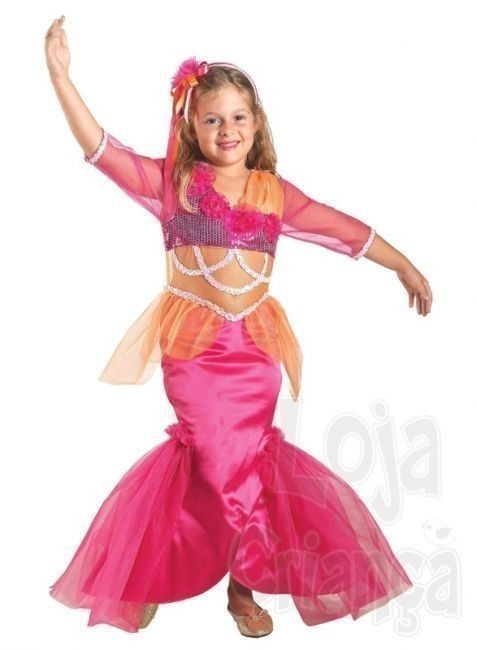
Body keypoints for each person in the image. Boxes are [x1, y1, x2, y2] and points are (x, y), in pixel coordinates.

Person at [45, 15, 432, 639]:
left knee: (248, 466)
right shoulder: (173, 185)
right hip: (194, 351)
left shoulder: (274, 193)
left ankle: (242, 586)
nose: (227, 130)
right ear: (191, 127)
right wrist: (62, 78)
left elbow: (343, 229)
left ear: (257, 123)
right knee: (205, 461)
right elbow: (101, 151)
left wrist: (403, 265)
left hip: (254, 352)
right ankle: (153, 576)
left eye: (238, 117)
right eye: (212, 119)